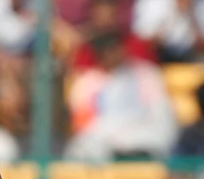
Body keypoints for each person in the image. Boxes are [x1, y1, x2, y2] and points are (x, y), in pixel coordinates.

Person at [65, 30, 177, 161]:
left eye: (118, 48)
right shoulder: (85, 83)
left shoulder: (146, 74)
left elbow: (161, 114)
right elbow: (82, 124)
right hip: (104, 141)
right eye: (111, 51)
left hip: (143, 135)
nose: (118, 53)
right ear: (100, 56)